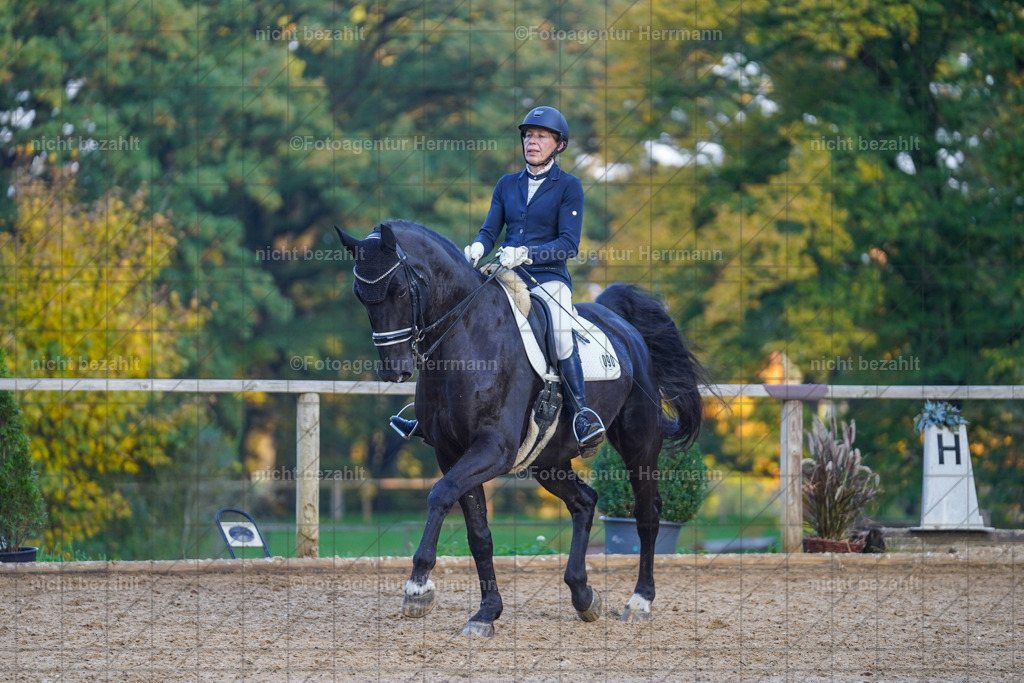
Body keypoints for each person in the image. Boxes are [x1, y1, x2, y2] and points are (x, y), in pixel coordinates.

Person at [391, 106, 605, 446]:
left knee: (562, 335)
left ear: (559, 145)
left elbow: (569, 244)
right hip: (504, 272)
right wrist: (478, 246)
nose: (532, 142)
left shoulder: (569, 187)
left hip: (547, 278)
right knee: (455, 316)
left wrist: (528, 253)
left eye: (541, 137)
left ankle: (581, 414)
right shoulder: (507, 184)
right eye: (528, 136)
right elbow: (490, 229)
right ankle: (426, 408)